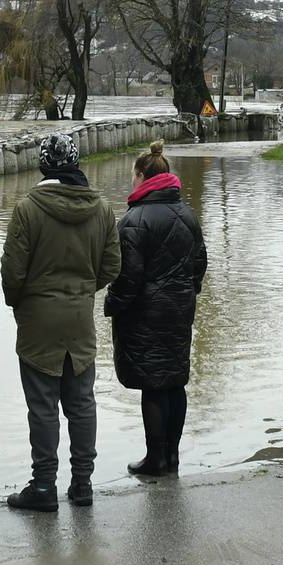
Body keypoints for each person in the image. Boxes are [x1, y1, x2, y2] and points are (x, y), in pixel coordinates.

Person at [0, 132, 120, 512]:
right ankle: (82, 484)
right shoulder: (101, 208)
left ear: (42, 164)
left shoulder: (28, 208)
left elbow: (12, 273)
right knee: (82, 403)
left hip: (38, 322)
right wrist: (84, 290)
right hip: (80, 320)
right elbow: (113, 265)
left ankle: (43, 486)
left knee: (43, 406)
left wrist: (21, 303)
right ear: (77, 161)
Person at [106, 141, 206, 477]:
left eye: (133, 176)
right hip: (179, 310)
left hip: (145, 314)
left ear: (140, 176)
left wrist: (112, 305)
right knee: (175, 381)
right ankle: (173, 458)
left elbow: (127, 277)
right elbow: (200, 263)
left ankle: (155, 458)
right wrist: (188, 294)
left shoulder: (134, 220)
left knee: (153, 383)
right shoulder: (188, 214)